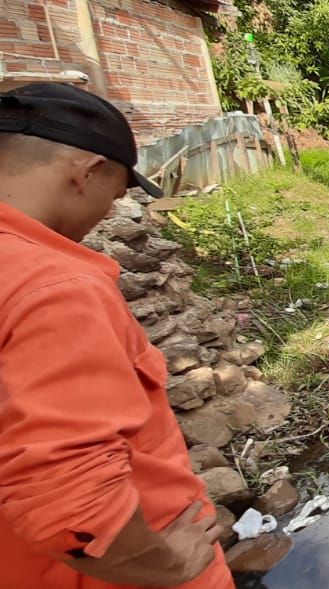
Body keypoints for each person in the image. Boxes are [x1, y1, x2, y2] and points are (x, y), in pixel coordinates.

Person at [0, 83, 232, 589]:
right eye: (118, 192)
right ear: (87, 172)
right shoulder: (54, 287)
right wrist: (166, 567)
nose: (110, 209)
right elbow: (67, 498)